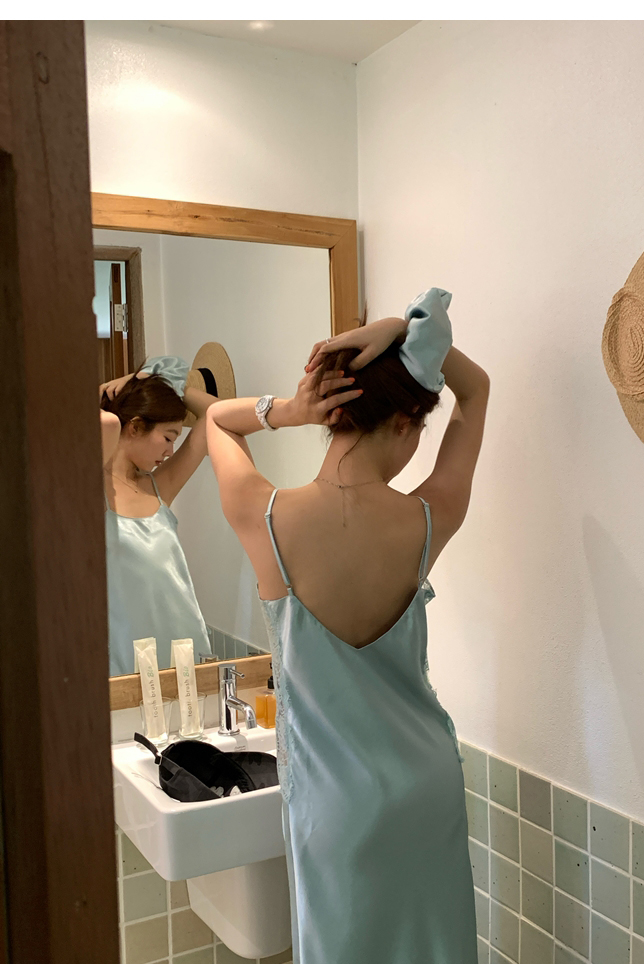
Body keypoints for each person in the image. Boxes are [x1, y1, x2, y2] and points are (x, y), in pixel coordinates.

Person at [206, 289, 489, 964]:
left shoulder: (263, 517)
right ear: (405, 421)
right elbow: (476, 391)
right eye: (417, 431)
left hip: (334, 810)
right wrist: (397, 330)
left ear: (334, 415)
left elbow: (216, 419)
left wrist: (290, 410)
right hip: (425, 790)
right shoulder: (428, 518)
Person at [101, 359, 215, 675]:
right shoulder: (90, 488)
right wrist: (121, 388)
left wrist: (157, 379)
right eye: (168, 437)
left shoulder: (160, 485)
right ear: (135, 427)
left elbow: (215, 414)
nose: (170, 451)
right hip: (124, 657)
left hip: (184, 649)